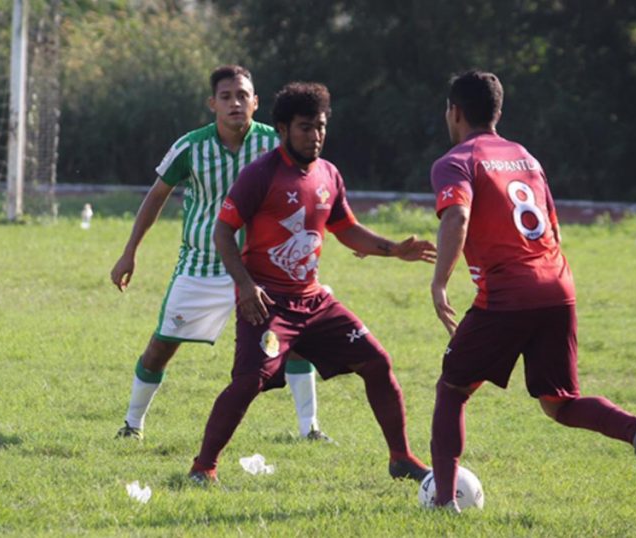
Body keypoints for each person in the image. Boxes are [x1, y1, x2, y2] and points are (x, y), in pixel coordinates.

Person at [427, 70, 636, 511]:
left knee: (453, 390)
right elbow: (551, 225)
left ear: (454, 112)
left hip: (507, 294)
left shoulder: (457, 160)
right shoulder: (525, 157)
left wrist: (439, 281)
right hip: (557, 286)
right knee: (559, 403)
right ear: (497, 111)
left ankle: (444, 502)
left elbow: (457, 217)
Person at [188, 82, 437, 483]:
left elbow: (347, 230)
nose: (316, 135)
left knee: (377, 362)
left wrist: (394, 249)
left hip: (315, 303)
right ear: (283, 129)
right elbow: (222, 232)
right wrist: (247, 288)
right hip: (269, 304)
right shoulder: (261, 174)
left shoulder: (328, 174)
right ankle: (203, 467)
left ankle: (401, 457)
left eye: (320, 126)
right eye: (306, 127)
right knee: (249, 381)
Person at [111, 65, 330, 441]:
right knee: (162, 346)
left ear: (256, 102)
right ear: (212, 104)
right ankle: (132, 424)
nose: (235, 104)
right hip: (202, 265)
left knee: (296, 341)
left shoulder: (275, 145)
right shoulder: (191, 147)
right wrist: (129, 252)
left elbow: (309, 188)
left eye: (243, 96)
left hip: (264, 269)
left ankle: (309, 429)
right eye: (226, 97)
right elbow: (156, 198)